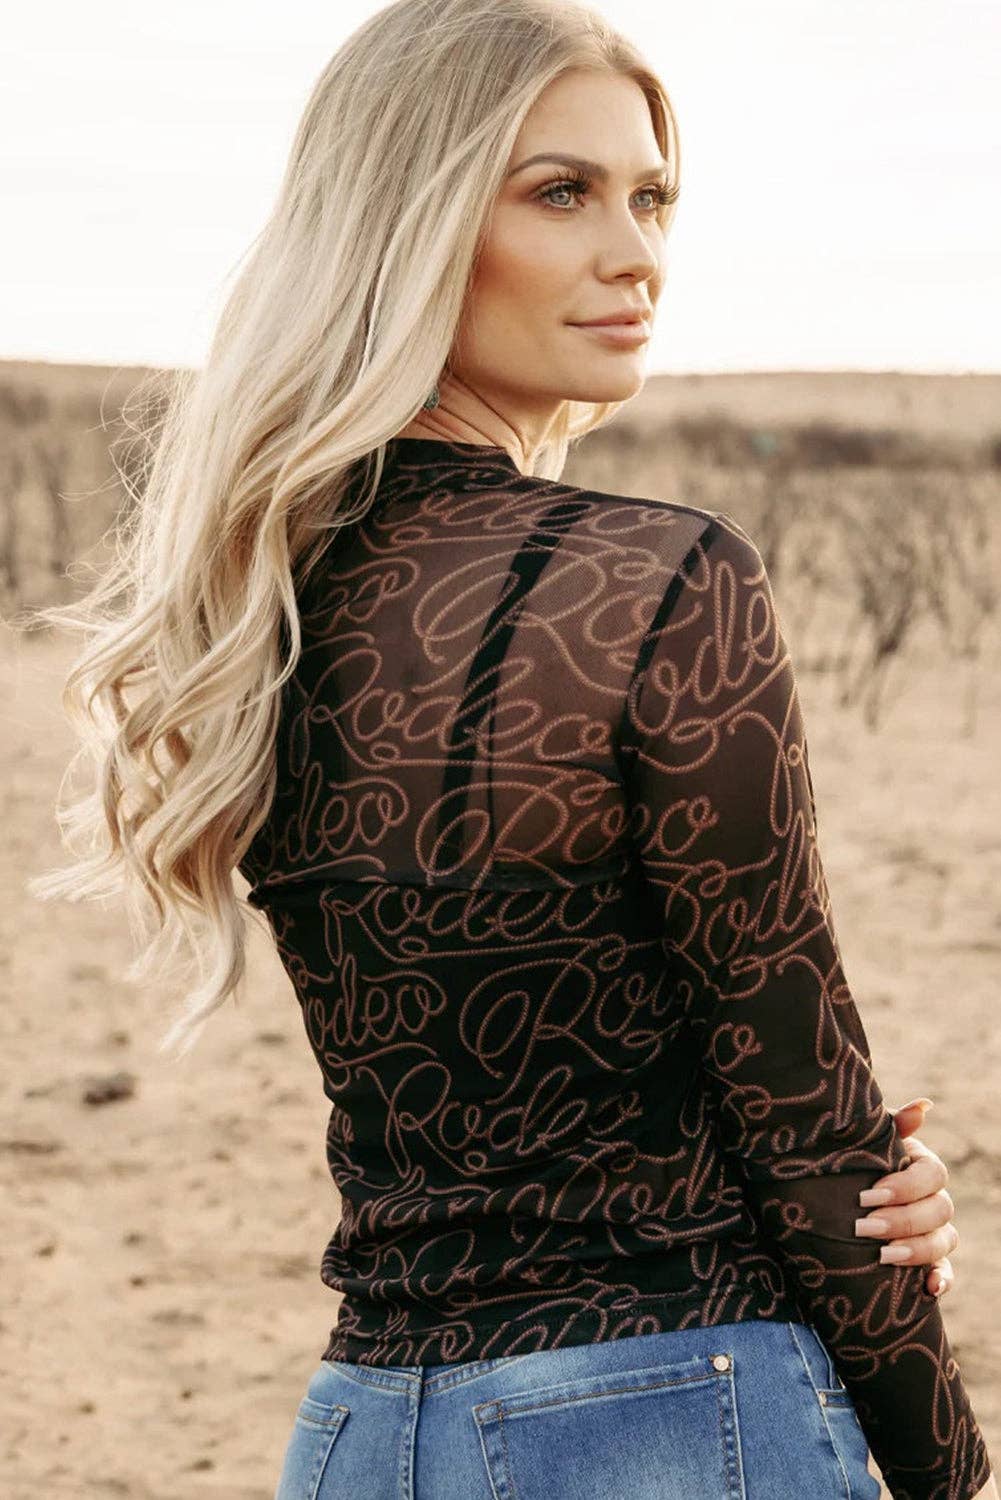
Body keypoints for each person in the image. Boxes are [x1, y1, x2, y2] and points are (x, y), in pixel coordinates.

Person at [26, 1, 993, 1497]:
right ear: (407, 225)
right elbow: (800, 1116)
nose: (636, 251)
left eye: (650, 195)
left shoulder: (263, 608)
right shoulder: (661, 581)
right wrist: (942, 1457)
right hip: (683, 1418)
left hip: (362, 1435)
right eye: (561, 191)